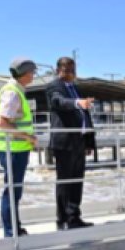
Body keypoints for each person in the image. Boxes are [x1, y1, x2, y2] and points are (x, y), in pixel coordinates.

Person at [47, 56, 96, 230]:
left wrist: (89, 141)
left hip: (79, 142)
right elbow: (58, 102)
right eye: (67, 70)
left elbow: (85, 116)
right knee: (64, 182)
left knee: (77, 181)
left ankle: (74, 217)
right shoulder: (55, 86)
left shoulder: (76, 88)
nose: (71, 73)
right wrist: (78, 103)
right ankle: (62, 220)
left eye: (73, 69)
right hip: (64, 142)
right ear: (58, 70)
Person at [0, 57, 38, 237]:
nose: (34, 76)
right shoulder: (12, 92)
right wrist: (27, 136)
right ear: (25, 74)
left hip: (16, 148)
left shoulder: (15, 90)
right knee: (12, 191)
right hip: (13, 150)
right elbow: (2, 123)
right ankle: (11, 232)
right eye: (32, 73)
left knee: (14, 190)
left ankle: (15, 227)